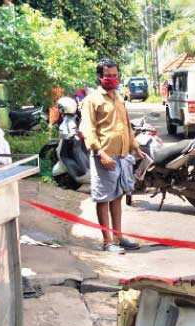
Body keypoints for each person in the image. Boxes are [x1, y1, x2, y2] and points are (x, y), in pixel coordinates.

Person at [79, 59, 146, 254]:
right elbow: (89, 129)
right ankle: (107, 241)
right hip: (104, 157)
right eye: (108, 76)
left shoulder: (119, 98)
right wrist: (100, 153)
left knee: (117, 196)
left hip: (122, 156)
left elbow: (126, 126)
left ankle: (118, 236)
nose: (112, 79)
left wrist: (135, 147)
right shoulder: (92, 100)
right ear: (100, 77)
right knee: (103, 198)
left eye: (115, 75)